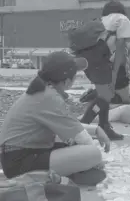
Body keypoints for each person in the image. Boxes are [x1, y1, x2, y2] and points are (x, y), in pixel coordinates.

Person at [0, 51, 110, 184]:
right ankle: (50, 178)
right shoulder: (49, 97)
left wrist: (95, 130)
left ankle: (61, 177)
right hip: (20, 161)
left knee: (75, 148)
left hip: (20, 154)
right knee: (93, 153)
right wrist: (96, 162)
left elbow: (69, 126)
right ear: (68, 81)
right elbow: (81, 137)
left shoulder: (43, 91)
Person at [77, 1, 130, 140]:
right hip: (100, 61)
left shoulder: (102, 21)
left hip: (88, 60)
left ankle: (104, 126)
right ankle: (83, 125)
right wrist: (115, 71)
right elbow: (120, 46)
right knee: (104, 97)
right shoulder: (122, 19)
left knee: (105, 95)